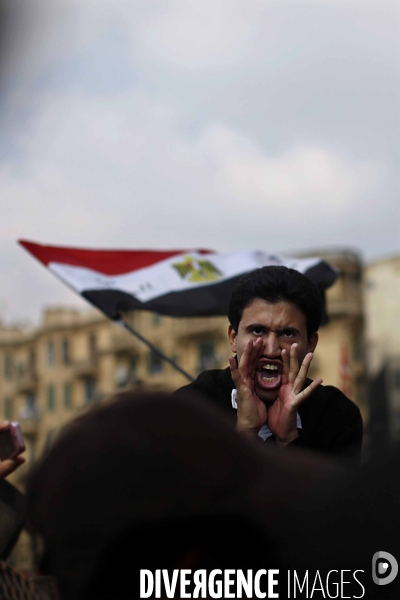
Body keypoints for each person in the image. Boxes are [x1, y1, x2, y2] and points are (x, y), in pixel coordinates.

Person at [176, 266, 363, 465]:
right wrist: (246, 432)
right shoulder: (193, 405)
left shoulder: (335, 414)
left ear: (310, 344)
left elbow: (333, 495)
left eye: (288, 334)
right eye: (257, 331)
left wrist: (289, 440)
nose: (271, 350)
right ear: (233, 338)